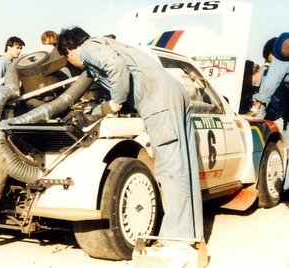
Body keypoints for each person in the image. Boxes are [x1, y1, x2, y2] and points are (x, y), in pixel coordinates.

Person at [57, 26, 203, 244]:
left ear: (69, 50)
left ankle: (176, 239)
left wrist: (115, 101)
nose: (75, 65)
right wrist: (100, 109)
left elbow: (116, 69)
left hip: (158, 100)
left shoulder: (89, 48)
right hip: (172, 92)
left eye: (69, 59)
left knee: (169, 169)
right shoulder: (113, 45)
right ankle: (190, 233)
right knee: (184, 165)